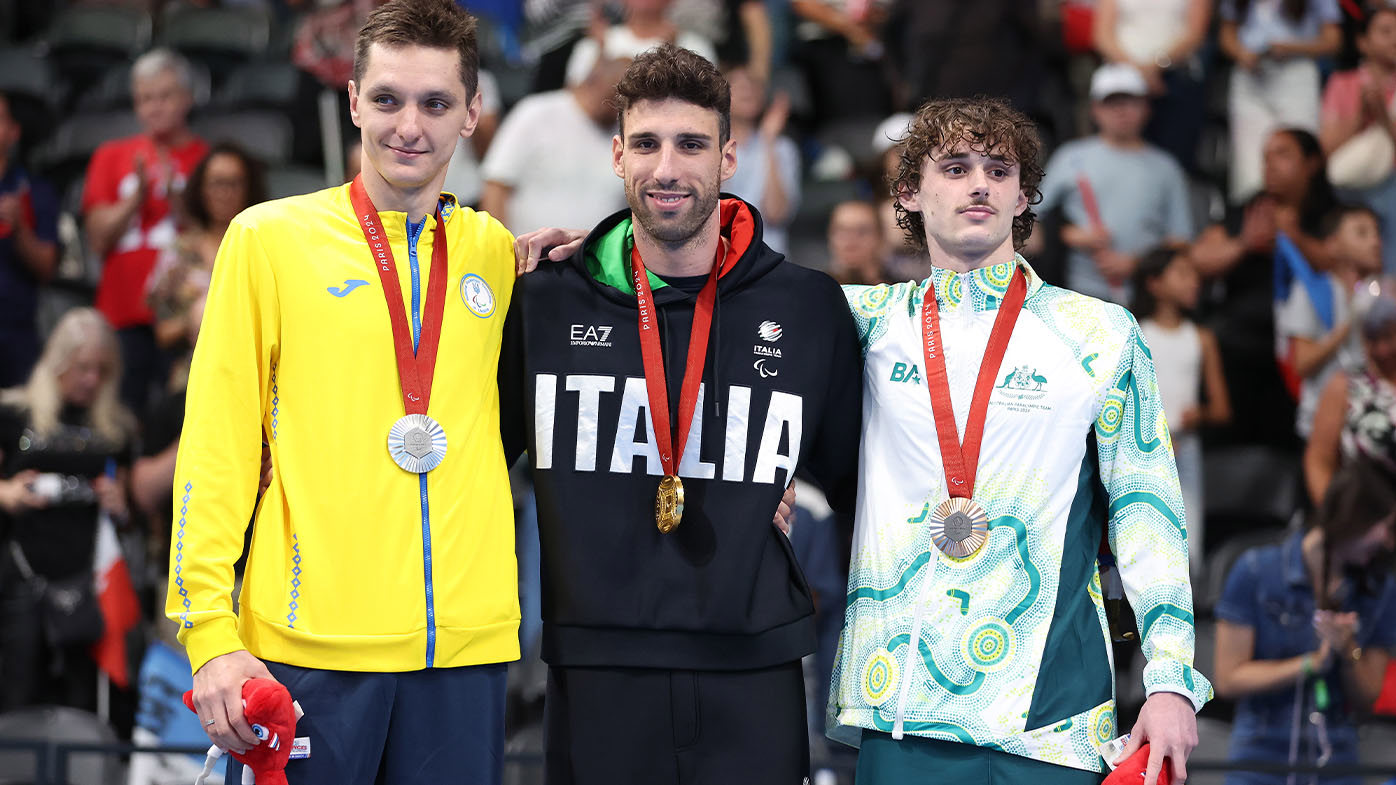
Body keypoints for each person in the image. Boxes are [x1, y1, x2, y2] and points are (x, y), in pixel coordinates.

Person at [168, 2, 521, 782]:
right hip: (306, 650)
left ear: (471, 115)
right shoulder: (268, 240)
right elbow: (217, 445)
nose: (409, 125)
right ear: (353, 99)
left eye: (436, 103)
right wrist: (208, 632)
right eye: (389, 98)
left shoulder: (492, 252)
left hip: (464, 654)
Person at [499, 43, 863, 785]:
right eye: (646, 143)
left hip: (752, 663)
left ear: (729, 157)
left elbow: (859, 483)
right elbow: (470, 462)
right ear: (616, 155)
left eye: (692, 144)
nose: (667, 168)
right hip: (594, 667)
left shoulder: (805, 305)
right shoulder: (544, 300)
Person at [826, 96, 1210, 785]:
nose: (980, 183)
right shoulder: (864, 322)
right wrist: (601, 258)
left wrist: (1172, 679)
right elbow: (719, 293)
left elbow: (1148, 511)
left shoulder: (1099, 333)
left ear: (1026, 194)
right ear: (909, 191)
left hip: (1050, 723)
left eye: (999, 169)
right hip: (902, 710)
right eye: (955, 166)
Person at [1213, 456, 1396, 785]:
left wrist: (1348, 649)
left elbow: (1368, 696)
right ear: (1356, 518)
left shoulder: (1379, 588)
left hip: (1335, 756)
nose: (1388, 542)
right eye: (1385, 527)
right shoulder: (1255, 571)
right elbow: (1228, 678)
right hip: (1260, 756)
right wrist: (1311, 664)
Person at [0, 308, 134, 713]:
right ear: (58, 362)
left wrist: (119, 503)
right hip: (20, 574)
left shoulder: (116, 428)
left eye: (101, 370)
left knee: (80, 702)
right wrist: (6, 493)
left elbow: (133, 513)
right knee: (17, 694)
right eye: (82, 368)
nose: (91, 379)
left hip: (87, 583)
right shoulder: (13, 414)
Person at [82, 48, 209, 413]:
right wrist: (134, 199)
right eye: (145, 98)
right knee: (120, 416)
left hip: (183, 318)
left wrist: (177, 200)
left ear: (187, 98)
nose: (154, 107)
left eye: (165, 96)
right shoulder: (110, 155)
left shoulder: (207, 159)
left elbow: (215, 236)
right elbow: (96, 238)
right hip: (121, 312)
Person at [1034, 63, 1194, 303]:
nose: (1121, 110)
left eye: (1130, 101)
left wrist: (1136, 263)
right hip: (1075, 296)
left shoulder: (1166, 168)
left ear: (1147, 107)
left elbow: (1181, 239)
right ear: (1095, 109)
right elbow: (1029, 217)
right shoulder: (1071, 157)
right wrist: (1068, 235)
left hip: (1145, 300)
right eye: (1111, 102)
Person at [1131, 246, 1231, 571]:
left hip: (1185, 450)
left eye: (1194, 275)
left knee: (1187, 542)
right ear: (1155, 283)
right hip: (1143, 448)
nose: (1194, 282)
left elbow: (1221, 409)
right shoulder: (1136, 332)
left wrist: (1199, 414)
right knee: (1143, 537)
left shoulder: (1200, 338)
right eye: (1182, 274)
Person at [480, 56, 630, 235]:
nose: (615, 110)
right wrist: (501, 250)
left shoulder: (627, 131)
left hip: (597, 258)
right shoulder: (536, 112)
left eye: (623, 104)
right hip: (528, 256)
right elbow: (496, 185)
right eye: (612, 99)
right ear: (592, 82)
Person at [147, 143, 267, 355]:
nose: (225, 192)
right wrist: (201, 316)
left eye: (234, 183)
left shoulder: (264, 245)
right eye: (217, 183)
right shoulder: (181, 250)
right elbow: (161, 333)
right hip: (192, 371)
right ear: (201, 189)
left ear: (249, 188)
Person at [1275, 205, 1384, 439]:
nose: (1375, 242)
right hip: (1322, 428)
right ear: (1333, 245)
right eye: (1362, 233)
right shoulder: (1312, 292)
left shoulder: (1382, 293)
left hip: (1372, 425)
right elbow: (1302, 363)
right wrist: (1348, 325)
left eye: (1377, 233)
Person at [1219, 0, 1342, 203]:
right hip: (1252, 74)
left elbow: (1333, 40)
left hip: (1295, 70)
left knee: (1297, 151)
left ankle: (1301, 220)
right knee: (1248, 165)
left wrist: (1291, 47)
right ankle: (1255, 222)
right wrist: (1240, 53)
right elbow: (1227, 34)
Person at [1304, 278, 1396, 506]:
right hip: (1366, 518)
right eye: (1374, 337)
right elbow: (1318, 460)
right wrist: (1333, 518)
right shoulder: (1344, 385)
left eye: (1389, 336)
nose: (1383, 348)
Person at [1319, 5, 1396, 275]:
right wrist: (1360, 117)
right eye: (1386, 31)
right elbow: (1327, 151)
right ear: (1363, 41)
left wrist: (1385, 120)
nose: (1395, 38)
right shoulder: (1342, 83)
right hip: (1350, 189)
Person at [1092, 0, 1212, 172]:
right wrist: (1140, 73)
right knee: (1117, 155)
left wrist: (1157, 67)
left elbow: (1196, 33)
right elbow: (1102, 36)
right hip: (1123, 81)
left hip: (1175, 80)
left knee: (1175, 157)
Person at [0, 90, 59, 389]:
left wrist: (20, 226)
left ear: (13, 132)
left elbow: (47, 267)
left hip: (16, 331)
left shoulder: (34, 191)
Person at [722, 63, 799, 255]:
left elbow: (776, 213)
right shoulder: (710, 146)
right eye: (739, 86)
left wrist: (768, 141)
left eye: (753, 85)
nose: (748, 90)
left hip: (770, 253)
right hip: (722, 254)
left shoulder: (783, 148)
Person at [563, 0, 718, 88]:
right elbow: (575, 100)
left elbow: (706, 100)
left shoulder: (695, 46)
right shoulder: (596, 42)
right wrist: (600, 53)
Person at [827, 199, 888, 285]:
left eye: (862, 231)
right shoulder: (814, 289)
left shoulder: (901, 292)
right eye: (842, 231)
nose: (850, 241)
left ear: (880, 237)